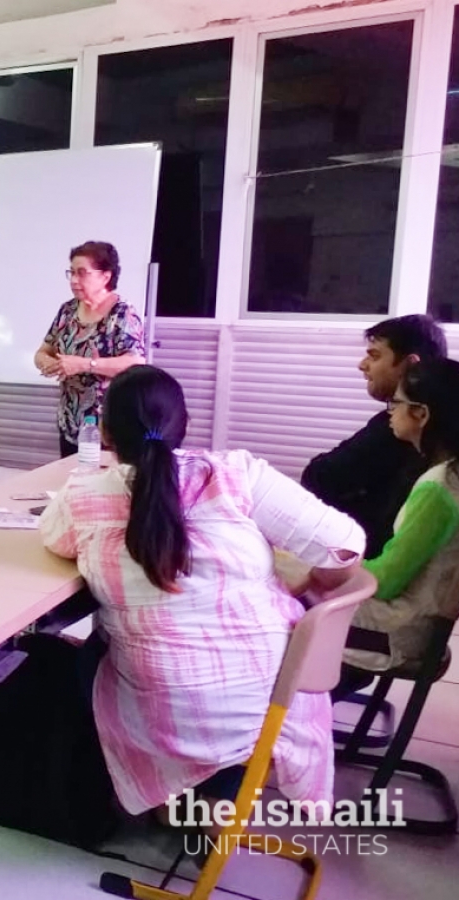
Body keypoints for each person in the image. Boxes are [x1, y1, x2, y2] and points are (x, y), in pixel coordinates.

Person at [40, 365, 364, 817]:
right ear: (185, 425)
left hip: (168, 717)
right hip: (273, 705)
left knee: (87, 651)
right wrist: (306, 585)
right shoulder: (238, 474)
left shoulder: (86, 494)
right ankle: (217, 792)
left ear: (107, 436)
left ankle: (168, 791)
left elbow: (54, 538)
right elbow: (345, 545)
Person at [344, 358, 459, 674]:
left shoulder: (437, 489)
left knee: (279, 608)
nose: (390, 412)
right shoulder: (449, 477)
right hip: (416, 627)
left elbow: (384, 582)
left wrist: (324, 568)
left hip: (397, 634)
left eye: (396, 403)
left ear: (421, 414)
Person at [302, 314, 449, 559]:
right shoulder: (440, 429)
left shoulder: (400, 431)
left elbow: (320, 478)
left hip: (368, 566)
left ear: (410, 365)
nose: (362, 365)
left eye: (375, 355)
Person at [34, 241, 146, 458]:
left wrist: (85, 364)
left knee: (100, 487)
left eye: (82, 273)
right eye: (71, 273)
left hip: (109, 425)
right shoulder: (67, 311)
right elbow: (42, 352)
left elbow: (135, 363)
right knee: (71, 485)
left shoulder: (122, 314)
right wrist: (47, 363)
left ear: (105, 276)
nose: (74, 280)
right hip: (70, 421)